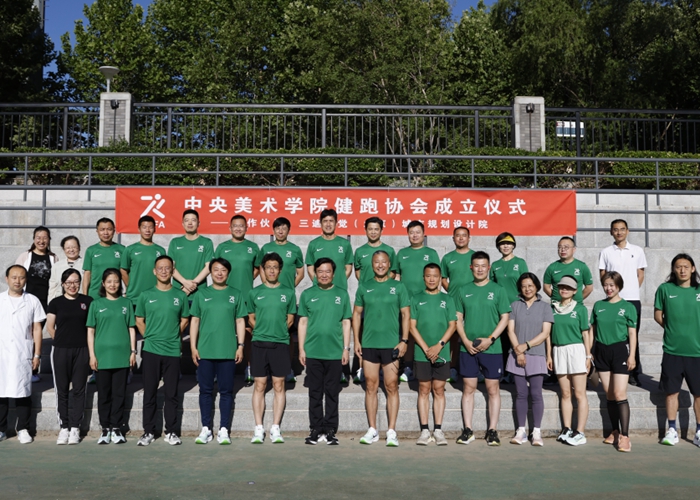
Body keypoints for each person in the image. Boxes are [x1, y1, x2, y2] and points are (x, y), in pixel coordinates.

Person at [353, 250, 410, 447]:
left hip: (391, 345)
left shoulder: (398, 287)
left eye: (384, 262)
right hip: (369, 344)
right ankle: (373, 429)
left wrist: (404, 340)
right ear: (372, 264)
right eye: (376, 262)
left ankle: (391, 431)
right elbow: (356, 314)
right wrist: (356, 340)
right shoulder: (364, 287)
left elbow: (406, 314)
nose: (380, 265)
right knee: (370, 385)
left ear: (389, 264)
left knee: (391, 385)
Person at [454, 251, 511, 446]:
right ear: (471, 267)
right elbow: (458, 318)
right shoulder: (463, 290)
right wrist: (465, 341)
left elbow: (505, 317)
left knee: (493, 389)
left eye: (483, 266)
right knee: (468, 388)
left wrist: (491, 339)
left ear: (489, 268)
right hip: (468, 348)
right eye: (476, 266)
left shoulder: (498, 290)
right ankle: (468, 430)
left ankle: (492, 430)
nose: (480, 269)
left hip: (492, 349)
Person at [190, 258, 246, 445]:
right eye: (215, 270)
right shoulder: (201, 294)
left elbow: (240, 321)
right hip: (205, 351)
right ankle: (206, 428)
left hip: (227, 351)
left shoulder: (235, 294)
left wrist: (240, 346)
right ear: (210, 272)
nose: (219, 273)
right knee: (205, 391)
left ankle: (223, 429)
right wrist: (193, 346)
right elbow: (195, 321)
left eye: (223, 270)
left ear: (228, 273)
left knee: (226, 391)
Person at [135, 256, 189, 446]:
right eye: (160, 268)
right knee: (149, 392)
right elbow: (139, 320)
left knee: (171, 394)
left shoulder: (180, 296)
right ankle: (148, 431)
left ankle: (171, 431)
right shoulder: (146, 295)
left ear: (173, 271)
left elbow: (185, 319)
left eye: (167, 268)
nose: (164, 271)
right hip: (151, 350)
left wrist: (173, 334)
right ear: (154, 271)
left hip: (172, 350)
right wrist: (150, 336)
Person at [298, 258, 352, 445]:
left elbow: (346, 322)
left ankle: (329, 428)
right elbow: (302, 322)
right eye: (320, 271)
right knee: (314, 392)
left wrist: (346, 349)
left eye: (327, 271)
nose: (324, 275)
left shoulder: (341, 294)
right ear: (315, 273)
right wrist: (301, 349)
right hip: (313, 351)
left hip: (334, 352)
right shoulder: (307, 294)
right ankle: (315, 428)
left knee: (331, 392)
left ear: (333, 274)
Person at [248, 253, 297, 444]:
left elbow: (290, 319)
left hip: (280, 344)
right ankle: (258, 428)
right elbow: (251, 318)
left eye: (275, 267)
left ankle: (275, 427)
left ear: (280, 270)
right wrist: (262, 330)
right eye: (268, 267)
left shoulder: (288, 292)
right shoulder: (254, 292)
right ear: (262, 269)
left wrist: (277, 332)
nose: (271, 270)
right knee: (259, 385)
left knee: (279, 385)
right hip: (259, 343)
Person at [654, 253, 700, 448]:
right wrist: (673, 329)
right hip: (672, 351)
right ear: (673, 269)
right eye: (678, 266)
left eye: (686, 266)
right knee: (671, 392)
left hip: (697, 352)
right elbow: (658, 315)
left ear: (693, 269)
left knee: (699, 394)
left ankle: (699, 432)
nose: (682, 270)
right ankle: (672, 430)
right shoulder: (665, 289)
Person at [86, 268, 136, 445]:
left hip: (122, 356)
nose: (113, 285)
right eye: (109, 281)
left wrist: (133, 352)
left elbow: (131, 328)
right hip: (102, 357)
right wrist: (92, 355)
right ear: (103, 283)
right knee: (104, 394)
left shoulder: (126, 303)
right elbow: (90, 331)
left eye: (116, 281)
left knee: (119, 394)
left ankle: (116, 428)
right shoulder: (96, 304)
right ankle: (105, 428)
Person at [410, 263, 457, 446]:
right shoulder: (416, 298)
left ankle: (438, 430)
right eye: (428, 276)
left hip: (441, 352)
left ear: (440, 278)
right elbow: (412, 326)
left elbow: (452, 325)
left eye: (435, 276)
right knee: (423, 389)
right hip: (422, 353)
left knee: (438, 389)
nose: (431, 279)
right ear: (423, 278)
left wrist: (439, 346)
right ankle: (424, 430)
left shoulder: (448, 299)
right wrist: (426, 348)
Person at [591, 271, 637, 452]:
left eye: (612, 285)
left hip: (619, 351)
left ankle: (625, 436)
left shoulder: (628, 307)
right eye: (605, 285)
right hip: (601, 351)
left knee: (619, 393)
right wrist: (589, 352)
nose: (608, 288)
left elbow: (632, 332)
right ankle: (615, 431)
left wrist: (632, 355)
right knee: (609, 394)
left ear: (619, 286)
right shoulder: (598, 305)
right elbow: (592, 330)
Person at [255, 217, 304, 384]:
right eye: (277, 228)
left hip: (285, 299)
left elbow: (301, 273)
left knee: (288, 334)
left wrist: (288, 289)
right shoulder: (266, 248)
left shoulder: (295, 249)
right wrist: (267, 286)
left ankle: (287, 368)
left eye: (284, 228)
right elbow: (261, 269)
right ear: (273, 230)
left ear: (289, 230)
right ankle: (266, 368)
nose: (280, 231)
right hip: (268, 297)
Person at [506, 273, 553, 447]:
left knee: (536, 393)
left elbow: (545, 333)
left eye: (530, 285)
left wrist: (526, 346)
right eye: (524, 286)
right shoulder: (514, 305)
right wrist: (518, 352)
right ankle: (521, 431)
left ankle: (537, 432)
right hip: (516, 354)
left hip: (537, 354)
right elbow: (510, 330)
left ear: (537, 286)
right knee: (520, 394)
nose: (527, 289)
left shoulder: (545, 307)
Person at [46, 269, 92, 445]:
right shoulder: (55, 303)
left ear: (80, 282)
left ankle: (75, 427)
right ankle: (64, 426)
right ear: (63, 284)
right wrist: (61, 340)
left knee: (79, 389)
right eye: (69, 282)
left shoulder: (87, 301)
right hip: (61, 350)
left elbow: (91, 327)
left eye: (76, 282)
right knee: (62, 389)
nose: (72, 285)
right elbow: (50, 327)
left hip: (82, 350)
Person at [598, 219, 647, 387]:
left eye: (622, 229)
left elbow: (640, 274)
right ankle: (613, 367)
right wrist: (613, 292)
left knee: (632, 335)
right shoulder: (606, 252)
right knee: (615, 336)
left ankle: (634, 372)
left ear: (628, 231)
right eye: (615, 229)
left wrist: (630, 290)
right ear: (611, 232)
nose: (619, 232)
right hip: (612, 300)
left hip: (632, 299)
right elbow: (603, 275)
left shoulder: (637, 250)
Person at [0, 265, 45, 444]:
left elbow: (37, 329)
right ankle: (1, 429)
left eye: (21, 277)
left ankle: (23, 429)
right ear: (7, 279)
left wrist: (37, 355)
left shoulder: (32, 300)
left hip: (22, 353)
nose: (17, 281)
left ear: (26, 280)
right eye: (14, 277)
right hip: (2, 353)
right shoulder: (0, 300)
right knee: (1, 392)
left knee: (23, 392)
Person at [214, 214, 260, 385]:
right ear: (230, 228)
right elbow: (216, 269)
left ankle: (249, 367)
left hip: (246, 298)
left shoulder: (253, 247)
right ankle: (219, 368)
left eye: (241, 225)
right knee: (222, 332)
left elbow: (257, 268)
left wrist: (246, 279)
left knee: (247, 333)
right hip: (224, 297)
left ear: (246, 228)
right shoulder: (222, 247)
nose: (238, 228)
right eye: (235, 225)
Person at [547, 275, 592, 446]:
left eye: (568, 288)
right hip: (558, 350)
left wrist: (588, 355)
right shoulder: (552, 308)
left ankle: (580, 431)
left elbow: (585, 333)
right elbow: (548, 335)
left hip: (576, 350)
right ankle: (566, 428)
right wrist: (549, 355)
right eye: (561, 287)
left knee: (579, 394)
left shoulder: (580, 309)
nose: (564, 290)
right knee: (565, 393)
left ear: (575, 291)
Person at [352, 216, 397, 383]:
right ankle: (362, 368)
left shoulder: (389, 250)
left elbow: (393, 273)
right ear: (365, 231)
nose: (373, 232)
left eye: (376, 229)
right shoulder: (360, 251)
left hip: (384, 300)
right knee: (363, 330)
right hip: (367, 298)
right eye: (370, 229)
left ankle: (385, 368)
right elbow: (358, 273)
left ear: (381, 230)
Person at [396, 220, 440, 382]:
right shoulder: (402, 253)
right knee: (408, 334)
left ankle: (429, 363)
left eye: (418, 232)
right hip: (406, 302)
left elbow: (437, 277)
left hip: (426, 300)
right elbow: (398, 277)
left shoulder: (431, 253)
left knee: (425, 332)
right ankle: (408, 367)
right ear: (407, 234)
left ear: (424, 234)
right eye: (411, 232)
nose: (414, 235)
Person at [16, 226, 57, 382]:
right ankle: (25, 369)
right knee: (27, 335)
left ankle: (33, 370)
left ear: (49, 240)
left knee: (36, 335)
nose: (41, 241)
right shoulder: (25, 256)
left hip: (45, 302)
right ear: (34, 239)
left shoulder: (53, 258)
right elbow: (16, 276)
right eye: (38, 237)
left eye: (45, 237)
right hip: (27, 301)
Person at [441, 226, 475, 383]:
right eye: (458, 235)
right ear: (453, 238)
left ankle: (475, 368)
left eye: (464, 235)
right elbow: (443, 279)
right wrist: (454, 292)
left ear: (469, 238)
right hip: (454, 302)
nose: (461, 238)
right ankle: (452, 368)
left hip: (473, 302)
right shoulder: (448, 258)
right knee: (454, 336)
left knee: (473, 333)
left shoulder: (475, 256)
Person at [168, 209, 214, 297]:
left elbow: (209, 267)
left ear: (198, 223)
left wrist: (193, 284)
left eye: (193, 220)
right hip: (179, 291)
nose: (190, 223)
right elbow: (170, 267)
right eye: (186, 220)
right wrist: (184, 282)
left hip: (199, 292)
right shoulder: (175, 242)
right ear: (182, 224)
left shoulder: (207, 242)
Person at [120, 215, 166, 303]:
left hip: (155, 296)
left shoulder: (161, 250)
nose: (147, 230)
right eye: (144, 227)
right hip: (134, 297)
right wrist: (130, 286)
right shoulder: (130, 249)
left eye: (150, 227)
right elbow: (123, 270)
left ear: (155, 229)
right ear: (139, 229)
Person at [305, 208, 353, 290]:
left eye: (331, 221)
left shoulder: (345, 244)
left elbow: (348, 268)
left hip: (339, 290)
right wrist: (321, 282)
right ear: (320, 223)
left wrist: (340, 281)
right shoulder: (313, 244)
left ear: (336, 223)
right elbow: (310, 269)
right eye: (325, 221)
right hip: (319, 290)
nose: (328, 224)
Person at [82, 218, 125, 300]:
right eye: (102, 229)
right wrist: (85, 296)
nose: (106, 233)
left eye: (109, 229)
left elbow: (125, 273)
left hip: (115, 295)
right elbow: (87, 274)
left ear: (114, 231)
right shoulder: (91, 250)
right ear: (97, 231)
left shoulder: (122, 250)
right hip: (94, 295)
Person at [543, 236, 594, 303]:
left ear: (574, 249)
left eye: (566, 247)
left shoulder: (582, 266)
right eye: (560, 247)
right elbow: (546, 287)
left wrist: (577, 299)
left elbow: (589, 287)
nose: (563, 249)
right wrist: (557, 298)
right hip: (557, 306)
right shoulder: (552, 267)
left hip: (576, 306)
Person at [48, 236, 83, 302]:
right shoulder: (57, 266)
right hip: (60, 302)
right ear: (64, 249)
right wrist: (50, 303)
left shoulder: (86, 265)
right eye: (68, 248)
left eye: (74, 247)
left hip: (80, 301)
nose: (71, 250)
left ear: (79, 248)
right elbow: (52, 287)